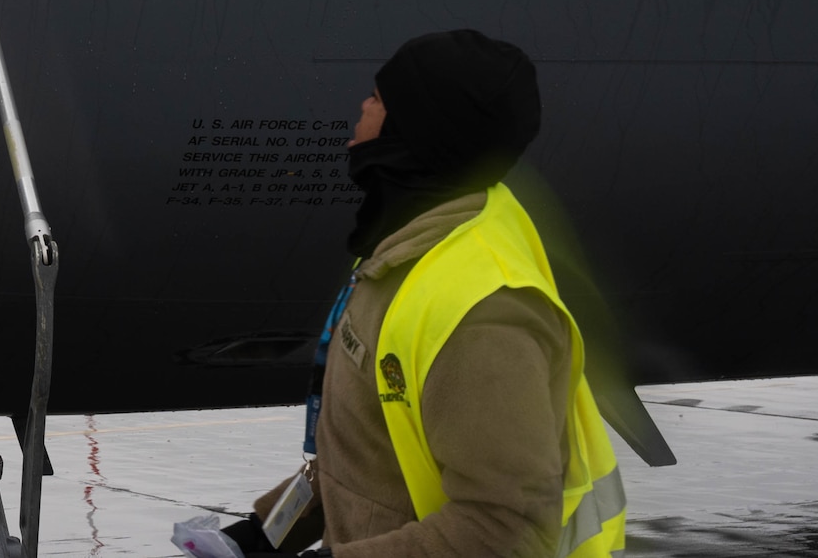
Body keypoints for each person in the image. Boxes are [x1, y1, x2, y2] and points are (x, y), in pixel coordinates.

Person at [245, 30, 625, 558]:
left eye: (379, 98)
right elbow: (369, 460)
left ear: (416, 130)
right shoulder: (402, 251)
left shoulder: (483, 318)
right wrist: (262, 536)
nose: (362, 104)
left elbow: (505, 530)